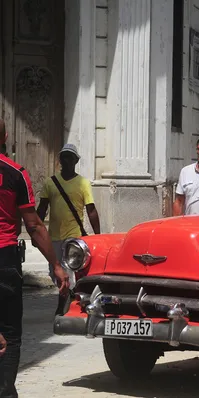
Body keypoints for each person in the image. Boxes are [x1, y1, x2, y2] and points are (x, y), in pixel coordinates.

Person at [0, 119, 70, 397]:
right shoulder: (16, 174)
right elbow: (34, 225)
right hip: (5, 260)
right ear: (5, 136)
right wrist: (55, 264)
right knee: (10, 334)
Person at [36, 144, 101, 297]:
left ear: (75, 161)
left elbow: (91, 210)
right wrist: (36, 233)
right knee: (55, 272)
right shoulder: (50, 183)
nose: (67, 160)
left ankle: (66, 303)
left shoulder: (83, 183)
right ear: (60, 160)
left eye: (70, 157)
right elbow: (42, 209)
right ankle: (67, 298)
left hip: (74, 237)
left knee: (72, 273)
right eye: (64, 156)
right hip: (54, 237)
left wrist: (98, 236)